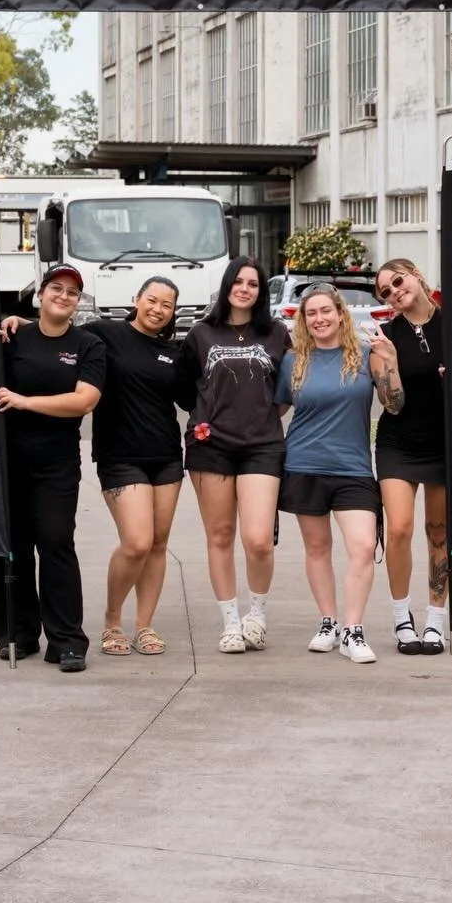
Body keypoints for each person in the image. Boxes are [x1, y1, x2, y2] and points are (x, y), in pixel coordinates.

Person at [1, 276, 186, 658]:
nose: (157, 309)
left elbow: (192, 397)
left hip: (166, 455)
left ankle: (145, 626)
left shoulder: (176, 352)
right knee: (136, 542)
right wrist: (15, 320)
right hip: (120, 456)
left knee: (157, 543)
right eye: (151, 300)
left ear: (173, 312)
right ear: (136, 299)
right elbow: (57, 328)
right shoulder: (103, 335)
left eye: (166, 305)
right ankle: (112, 621)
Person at [276, 282, 403, 664]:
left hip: (353, 468)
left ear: (340, 314)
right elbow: (274, 411)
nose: (319, 318)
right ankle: (329, 622)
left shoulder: (366, 355)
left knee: (363, 546)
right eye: (311, 313)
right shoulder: (292, 361)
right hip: (303, 464)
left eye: (325, 311)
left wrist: (392, 362)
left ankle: (354, 629)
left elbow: (393, 404)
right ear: (303, 319)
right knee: (317, 549)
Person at [0, 265, 106, 672]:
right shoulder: (13, 336)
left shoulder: (88, 345)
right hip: (8, 461)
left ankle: (67, 641)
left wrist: (24, 401)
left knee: (56, 543)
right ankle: (17, 634)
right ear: (40, 294)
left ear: (78, 302)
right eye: (56, 288)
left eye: (72, 292)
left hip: (56, 463)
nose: (63, 295)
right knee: (11, 547)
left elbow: (83, 401)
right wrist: (11, 322)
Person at [175, 256, 290, 653]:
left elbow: (284, 392)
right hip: (211, 448)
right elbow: (184, 388)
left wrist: (257, 418)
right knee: (220, 535)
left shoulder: (276, 334)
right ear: (226, 286)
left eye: (253, 284)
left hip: (262, 445)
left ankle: (256, 614)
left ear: (261, 292)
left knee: (258, 539)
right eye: (237, 281)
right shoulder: (201, 334)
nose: (244, 288)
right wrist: (206, 418)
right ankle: (229, 622)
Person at [373, 257, 450, 655]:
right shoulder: (384, 337)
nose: (395, 291)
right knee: (399, 528)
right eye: (385, 291)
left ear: (417, 275)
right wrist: (390, 362)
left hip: (443, 444)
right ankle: (402, 617)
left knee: (439, 531)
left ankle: (437, 619)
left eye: (398, 281)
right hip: (399, 444)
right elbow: (394, 404)